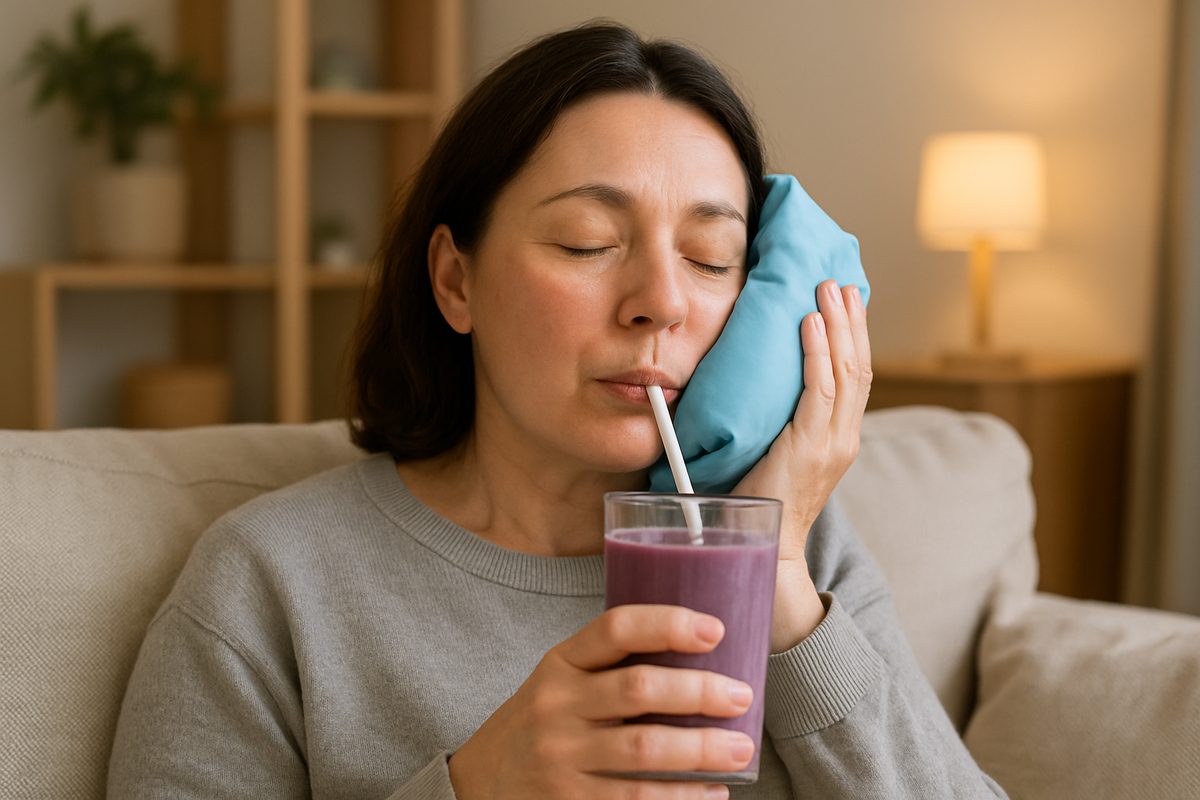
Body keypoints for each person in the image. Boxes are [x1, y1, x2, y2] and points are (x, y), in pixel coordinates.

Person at [108, 21, 1007, 800]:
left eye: (709, 256)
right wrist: (477, 785)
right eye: (589, 242)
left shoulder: (804, 550)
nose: (660, 300)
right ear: (456, 281)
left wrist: (767, 569)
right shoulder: (275, 585)